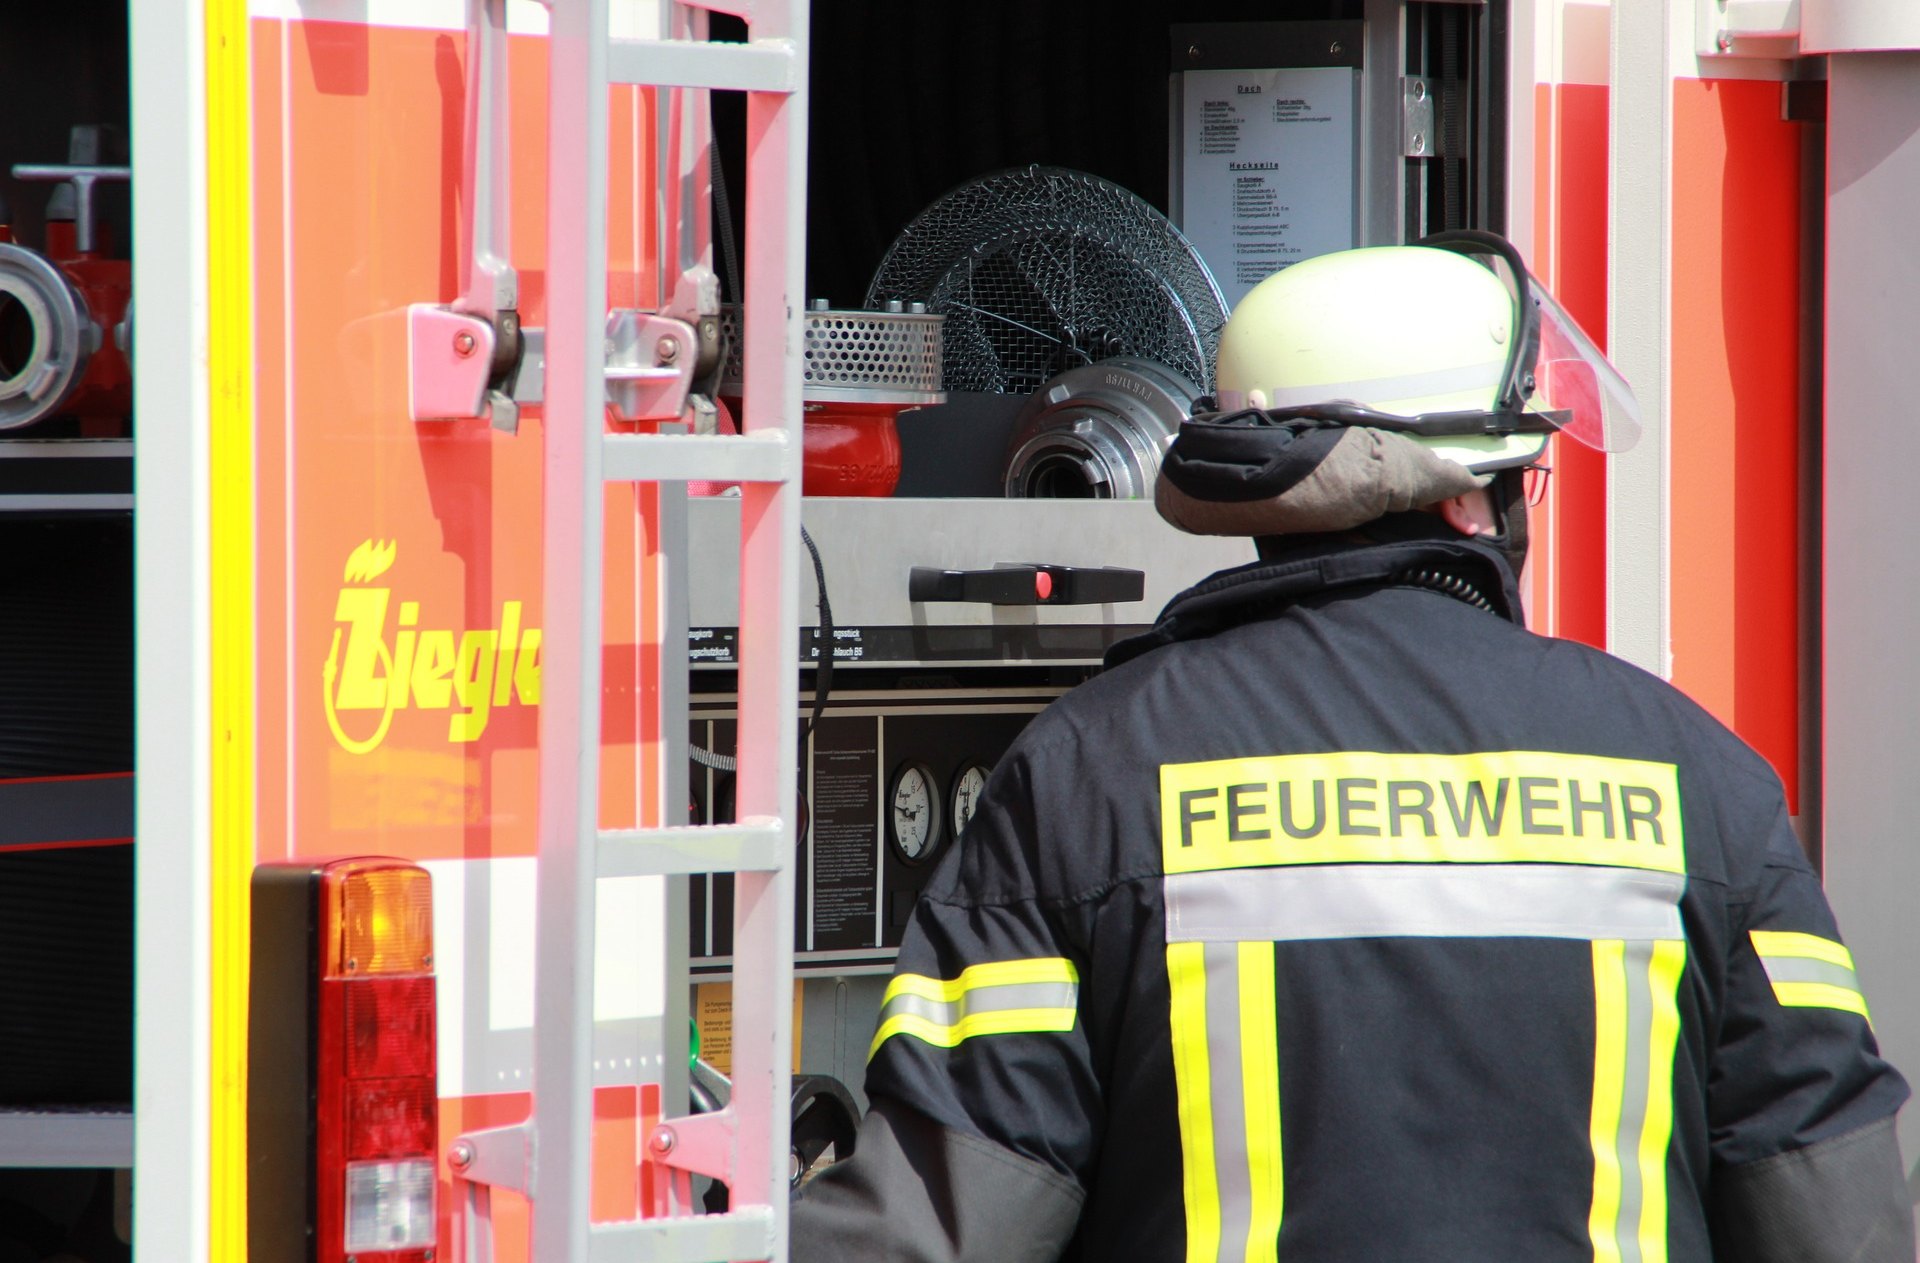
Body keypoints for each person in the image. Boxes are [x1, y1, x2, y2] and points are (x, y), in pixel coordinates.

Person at [789, 233, 1912, 1261]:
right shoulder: (1701, 783)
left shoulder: (1088, 776)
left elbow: (942, 1227)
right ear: (1467, 501)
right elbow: (1837, 1224)